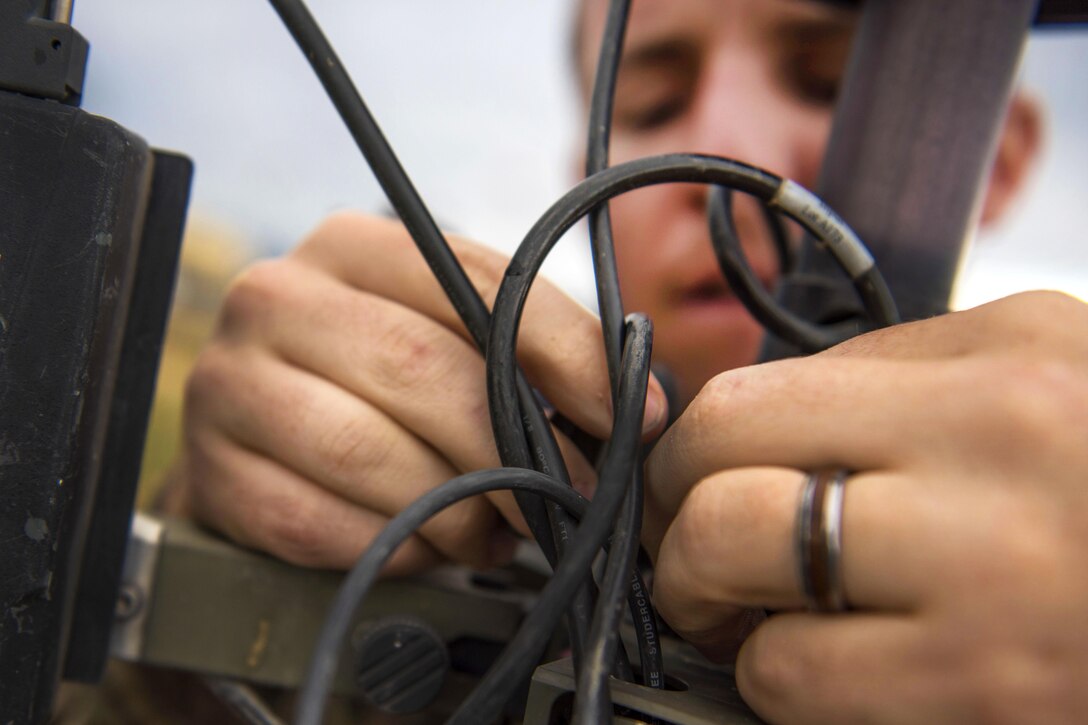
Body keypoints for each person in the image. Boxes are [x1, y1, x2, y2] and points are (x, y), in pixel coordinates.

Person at [161, 0, 1088, 721]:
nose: (727, 144)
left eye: (823, 76)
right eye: (653, 98)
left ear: (1000, 158)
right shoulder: (478, 510)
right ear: (591, 176)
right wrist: (204, 560)